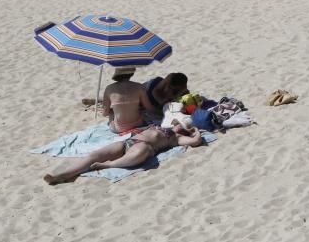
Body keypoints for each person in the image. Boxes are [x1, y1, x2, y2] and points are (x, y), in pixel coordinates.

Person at [43, 122, 204, 185]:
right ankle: (63, 175)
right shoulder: (161, 124)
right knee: (93, 155)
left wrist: (195, 130)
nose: (178, 126)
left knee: (142, 150)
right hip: (128, 142)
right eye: (180, 124)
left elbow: (195, 141)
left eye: (183, 127)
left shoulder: (176, 138)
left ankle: (109, 165)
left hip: (145, 147)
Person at [102, 67, 147, 133]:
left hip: (119, 129)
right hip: (138, 125)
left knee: (111, 112)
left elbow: (105, 113)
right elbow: (149, 107)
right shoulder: (139, 86)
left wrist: (112, 111)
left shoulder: (109, 88)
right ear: (131, 73)